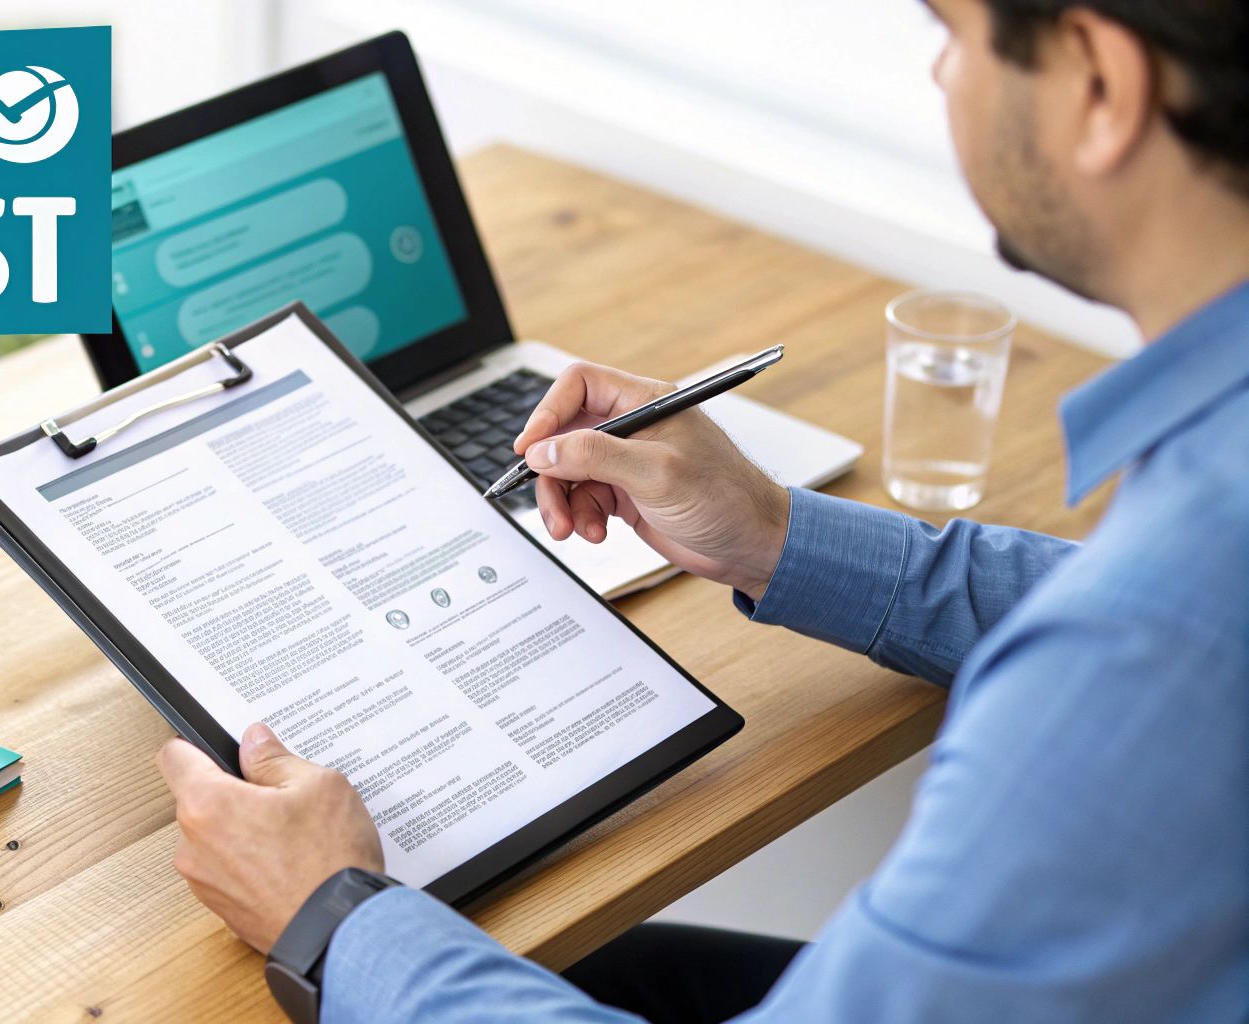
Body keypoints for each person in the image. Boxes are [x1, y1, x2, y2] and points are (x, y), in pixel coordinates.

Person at [154, 0, 1249, 1019]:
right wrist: (776, 534)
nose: (937, 69)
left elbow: (1153, 638)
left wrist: (334, 917)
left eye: (951, 32)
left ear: (1100, 85)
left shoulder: (1142, 648)